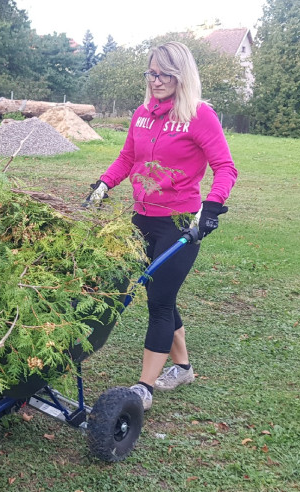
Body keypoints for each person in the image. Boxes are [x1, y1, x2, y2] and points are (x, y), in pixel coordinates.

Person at [84, 41, 238, 410]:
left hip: (180, 224)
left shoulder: (199, 116)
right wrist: (103, 185)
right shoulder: (142, 114)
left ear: (180, 75)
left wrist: (210, 208)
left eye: (164, 74)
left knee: (159, 301)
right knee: (160, 293)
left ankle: (144, 388)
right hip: (141, 219)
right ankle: (183, 366)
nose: (156, 81)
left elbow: (226, 168)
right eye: (151, 73)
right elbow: (127, 158)